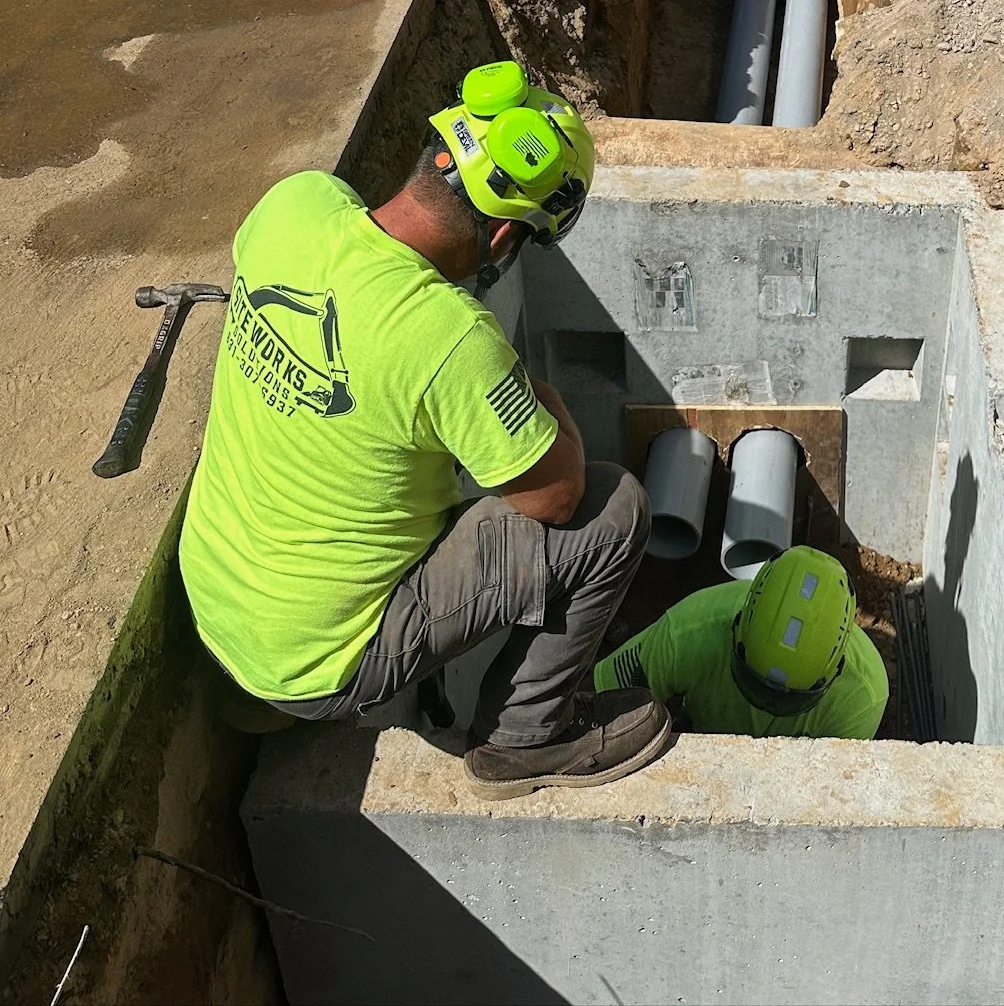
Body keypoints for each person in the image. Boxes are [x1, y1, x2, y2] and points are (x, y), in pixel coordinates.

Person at [177, 60, 672, 801]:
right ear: (504, 235)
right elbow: (555, 497)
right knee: (613, 508)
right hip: (324, 661)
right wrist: (553, 410)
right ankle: (525, 738)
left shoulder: (296, 205)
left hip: (216, 599)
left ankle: (254, 697)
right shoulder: (450, 342)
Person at [594, 546, 888, 739]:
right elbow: (604, 708)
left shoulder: (863, 695)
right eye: (755, 686)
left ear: (836, 669)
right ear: (736, 628)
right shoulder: (689, 628)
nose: (765, 706)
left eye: (786, 700)